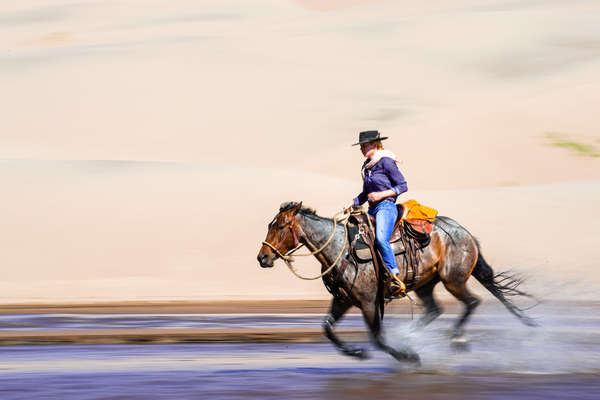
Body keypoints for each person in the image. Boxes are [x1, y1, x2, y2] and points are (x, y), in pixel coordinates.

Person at [344, 130, 407, 296]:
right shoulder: (367, 166)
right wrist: (353, 202)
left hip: (386, 207)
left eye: (364, 145)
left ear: (375, 144)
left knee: (380, 239)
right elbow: (366, 194)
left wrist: (381, 195)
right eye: (361, 146)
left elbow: (402, 185)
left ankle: (394, 276)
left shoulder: (386, 162)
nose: (362, 149)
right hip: (371, 209)